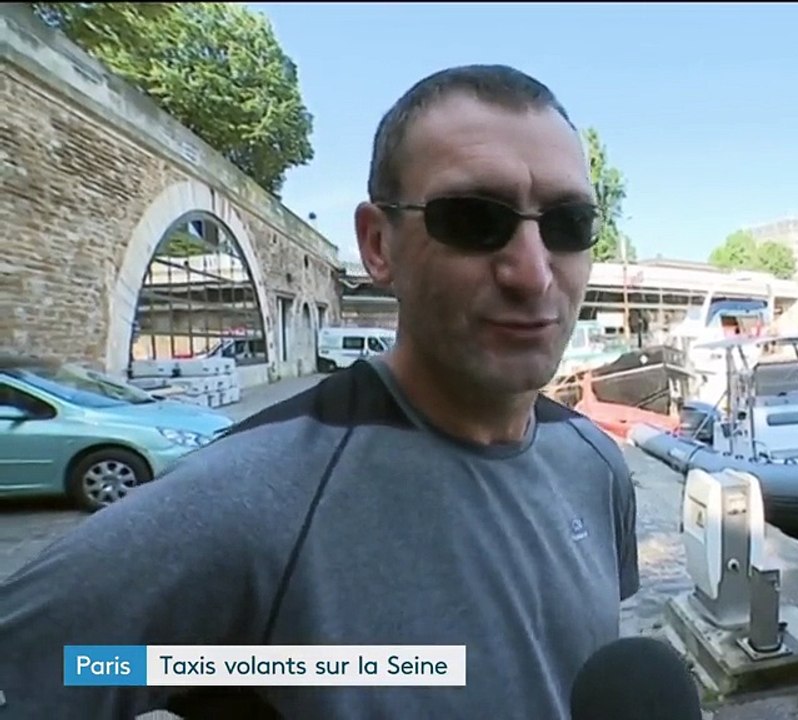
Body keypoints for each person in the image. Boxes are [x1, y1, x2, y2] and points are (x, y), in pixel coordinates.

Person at [0, 64, 639, 719]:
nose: (533, 274)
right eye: (473, 219)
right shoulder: (248, 495)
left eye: (568, 223)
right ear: (378, 245)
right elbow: (64, 667)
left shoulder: (595, 462)